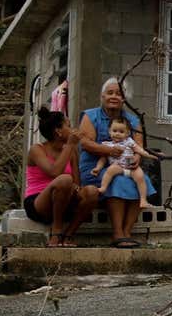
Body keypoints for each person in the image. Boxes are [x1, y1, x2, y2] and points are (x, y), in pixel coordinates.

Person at [78, 77, 155, 248]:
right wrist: (108, 151)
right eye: (110, 93)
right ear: (102, 96)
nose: (114, 96)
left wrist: (137, 157)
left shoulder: (133, 121)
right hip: (96, 168)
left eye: (119, 93)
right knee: (119, 180)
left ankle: (127, 231)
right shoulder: (90, 116)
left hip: (125, 165)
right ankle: (117, 233)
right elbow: (85, 142)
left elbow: (139, 144)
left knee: (142, 180)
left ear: (124, 99)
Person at [25, 108, 98, 247]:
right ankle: (56, 229)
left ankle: (69, 234)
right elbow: (54, 172)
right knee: (64, 179)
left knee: (92, 192)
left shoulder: (72, 151)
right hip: (39, 202)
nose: (73, 129)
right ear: (58, 131)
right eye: (68, 126)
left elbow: (76, 182)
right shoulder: (37, 149)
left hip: (65, 199)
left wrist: (77, 189)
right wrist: (70, 144)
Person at [91, 117, 155, 205]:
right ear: (109, 131)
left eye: (121, 132)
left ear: (128, 133)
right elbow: (103, 159)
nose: (117, 134)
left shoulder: (129, 142)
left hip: (131, 166)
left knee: (140, 177)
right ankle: (103, 187)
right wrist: (97, 168)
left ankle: (143, 199)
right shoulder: (108, 145)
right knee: (110, 170)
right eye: (114, 131)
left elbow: (140, 151)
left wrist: (152, 155)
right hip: (118, 167)